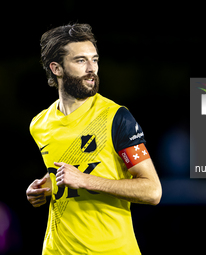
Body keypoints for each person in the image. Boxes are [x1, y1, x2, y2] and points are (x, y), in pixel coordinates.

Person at [26, 23, 162, 255]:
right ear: (56, 68)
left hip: (112, 250)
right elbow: (68, 169)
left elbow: (152, 191)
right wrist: (45, 187)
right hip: (56, 250)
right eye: (81, 61)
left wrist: (86, 180)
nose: (92, 69)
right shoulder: (40, 124)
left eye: (95, 60)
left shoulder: (116, 117)